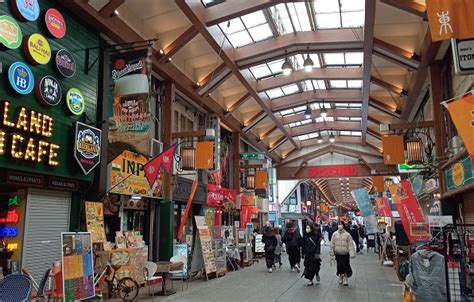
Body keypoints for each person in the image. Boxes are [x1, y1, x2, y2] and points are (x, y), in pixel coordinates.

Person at [330, 221, 356, 286]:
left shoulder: (347, 234)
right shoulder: (334, 234)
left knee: (346, 266)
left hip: (345, 253)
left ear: (343, 225)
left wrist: (352, 253)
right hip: (337, 253)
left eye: (341, 224)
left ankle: (346, 278)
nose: (340, 226)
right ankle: (341, 276)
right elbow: (332, 244)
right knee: (339, 266)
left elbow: (350, 244)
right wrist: (332, 252)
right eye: (338, 224)